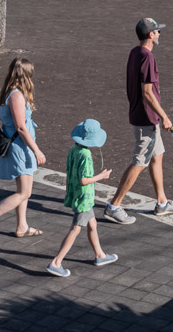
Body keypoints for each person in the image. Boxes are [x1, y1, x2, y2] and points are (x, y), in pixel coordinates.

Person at [105, 17, 173, 223]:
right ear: (150, 35)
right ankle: (114, 205)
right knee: (139, 162)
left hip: (144, 116)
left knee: (157, 156)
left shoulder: (135, 53)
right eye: (157, 32)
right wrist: (165, 117)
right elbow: (148, 92)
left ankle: (162, 202)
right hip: (147, 118)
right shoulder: (148, 58)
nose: (159, 34)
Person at [0, 58, 46, 242]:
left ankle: (22, 226)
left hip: (19, 145)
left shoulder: (6, 91)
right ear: (26, 75)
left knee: (24, 189)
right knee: (24, 192)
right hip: (20, 147)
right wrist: (37, 150)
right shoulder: (16, 95)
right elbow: (21, 127)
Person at [45, 119, 118, 277]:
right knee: (75, 229)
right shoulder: (86, 155)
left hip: (77, 195)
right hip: (84, 198)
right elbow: (84, 180)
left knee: (93, 224)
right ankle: (56, 262)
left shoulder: (74, 149)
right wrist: (102, 176)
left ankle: (100, 255)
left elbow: (70, 173)